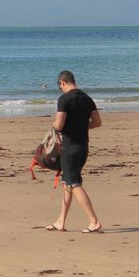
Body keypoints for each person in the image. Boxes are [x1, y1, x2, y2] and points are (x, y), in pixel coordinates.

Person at [45, 70, 103, 234]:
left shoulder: (64, 99)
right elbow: (97, 122)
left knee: (75, 185)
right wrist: (81, 126)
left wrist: (54, 125)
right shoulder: (87, 98)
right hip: (83, 147)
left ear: (62, 82)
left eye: (59, 86)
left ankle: (94, 221)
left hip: (70, 149)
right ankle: (60, 221)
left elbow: (59, 125)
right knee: (67, 184)